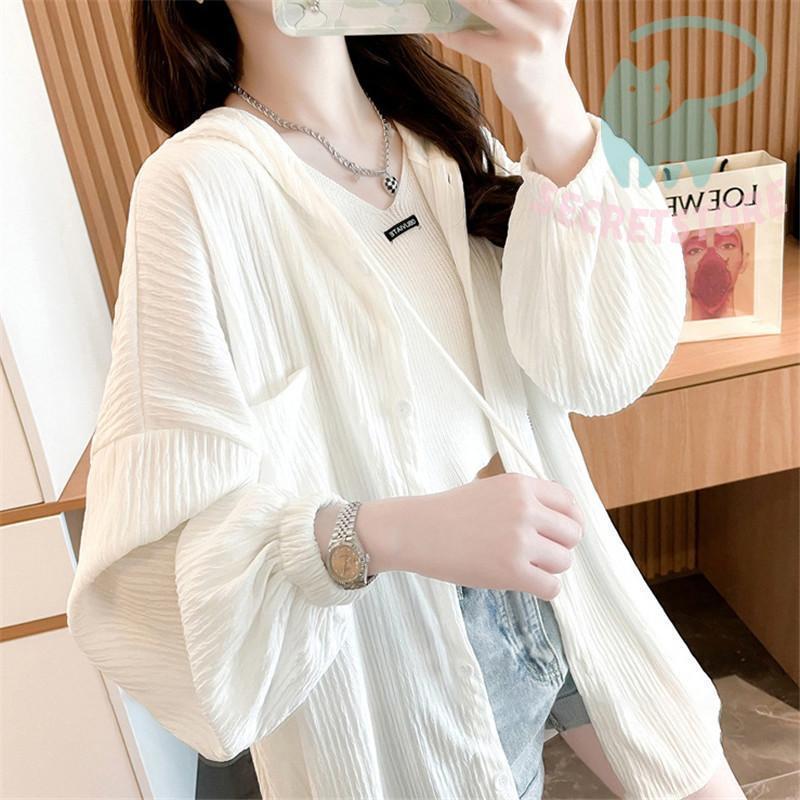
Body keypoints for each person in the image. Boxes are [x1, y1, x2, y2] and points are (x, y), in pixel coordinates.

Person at [66, 1, 745, 798]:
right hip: (398, 656)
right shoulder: (195, 188)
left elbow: (601, 366)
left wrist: (546, 94)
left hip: (567, 578)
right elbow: (155, 567)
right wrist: (386, 532)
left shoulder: (440, 137)